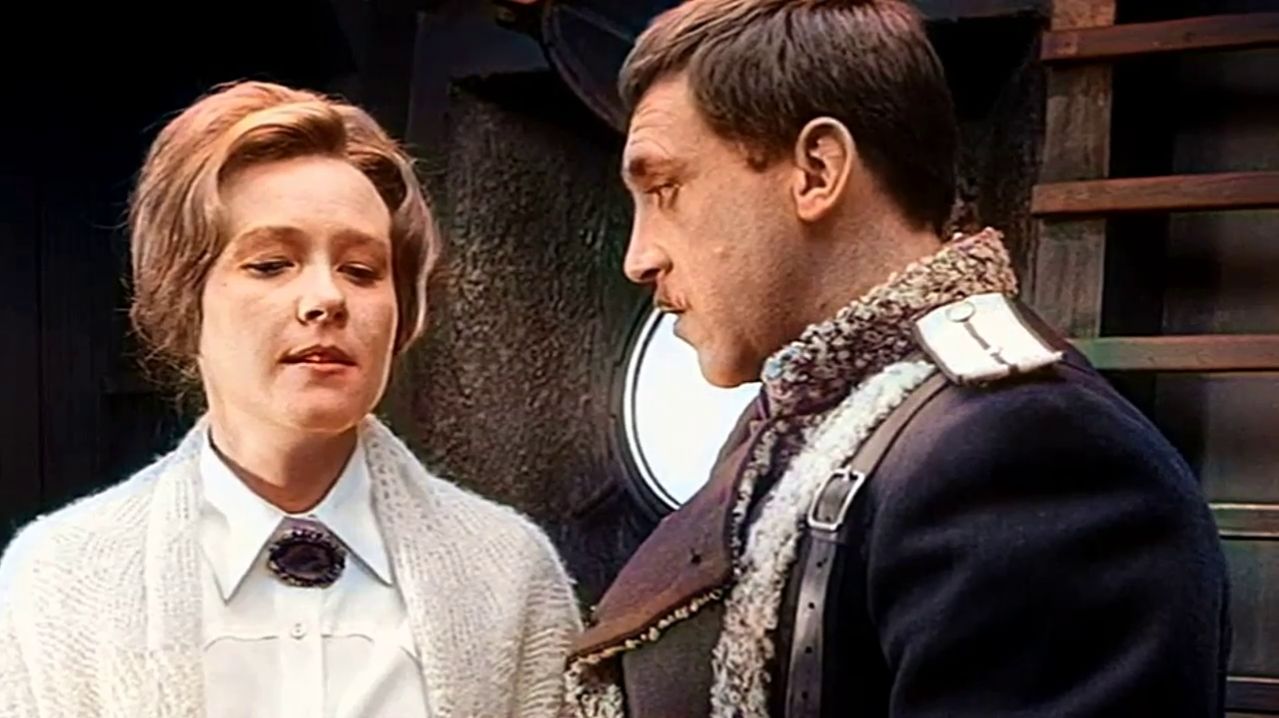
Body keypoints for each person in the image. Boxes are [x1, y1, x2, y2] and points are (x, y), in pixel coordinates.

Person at [564, 1, 1231, 716]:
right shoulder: (818, 424)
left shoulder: (1031, 455)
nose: (639, 258)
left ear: (816, 170)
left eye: (664, 189)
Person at [0, 80, 581, 717]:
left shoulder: (507, 574)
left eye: (362, 270)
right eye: (271, 264)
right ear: (185, 295)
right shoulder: (61, 579)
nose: (327, 298)